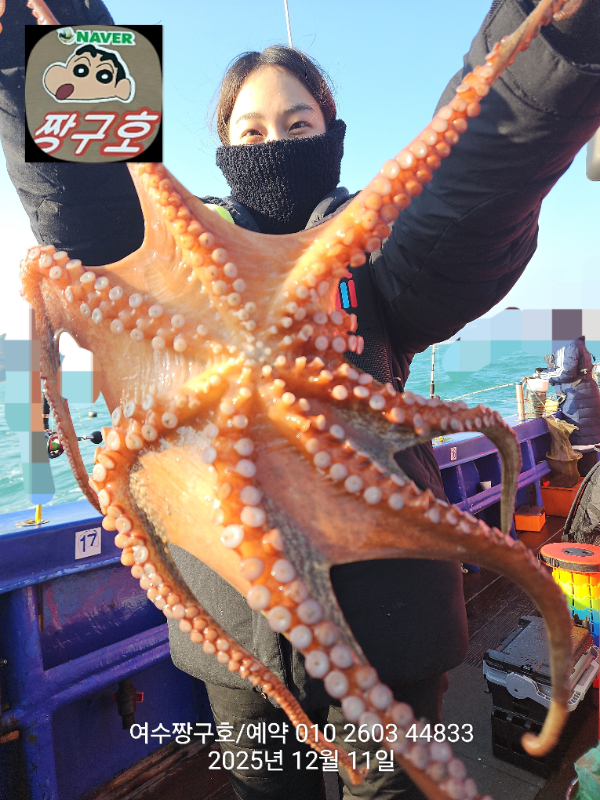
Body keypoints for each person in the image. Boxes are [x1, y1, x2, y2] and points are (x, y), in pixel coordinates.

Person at [1, 1, 600, 798]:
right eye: (250, 131)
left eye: (297, 123)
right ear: (224, 147)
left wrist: (557, 29)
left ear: (332, 135)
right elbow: (88, 198)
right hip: (233, 637)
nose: (274, 143)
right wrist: (31, 33)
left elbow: (469, 188)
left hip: (395, 626)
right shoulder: (170, 264)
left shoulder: (379, 250)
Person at [538, 336, 600, 476]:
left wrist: (542, 374)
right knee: (589, 446)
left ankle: (588, 487)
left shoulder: (567, 343)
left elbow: (566, 372)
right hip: (586, 396)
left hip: (577, 401)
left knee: (582, 447)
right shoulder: (577, 341)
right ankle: (591, 485)